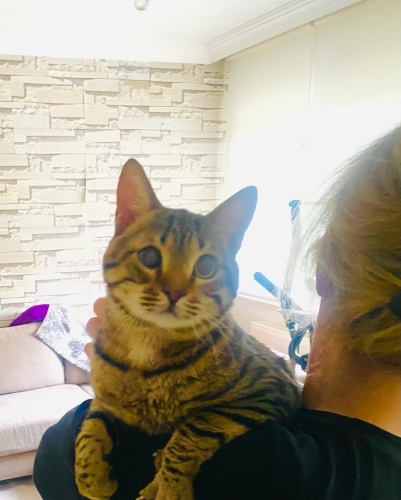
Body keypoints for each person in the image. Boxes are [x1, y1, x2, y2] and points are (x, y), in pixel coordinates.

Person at [33, 125, 401, 499]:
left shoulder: (261, 465)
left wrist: (116, 410)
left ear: (324, 268)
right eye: (151, 258)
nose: (174, 289)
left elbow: (52, 460)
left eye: (205, 267)